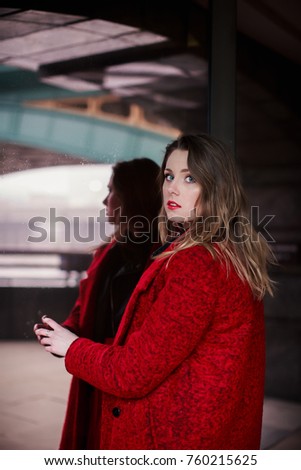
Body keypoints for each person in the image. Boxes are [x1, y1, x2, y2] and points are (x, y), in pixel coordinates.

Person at [34, 134, 275, 450]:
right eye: (169, 176)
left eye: (190, 178)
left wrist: (73, 347)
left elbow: (133, 373)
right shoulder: (224, 252)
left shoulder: (197, 262)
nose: (173, 188)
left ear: (216, 188)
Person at [34, 157, 161, 450]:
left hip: (119, 378)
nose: (105, 200)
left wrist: (75, 344)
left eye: (112, 190)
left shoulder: (162, 260)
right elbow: (85, 307)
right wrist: (63, 332)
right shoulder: (107, 254)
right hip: (95, 371)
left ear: (132, 197)